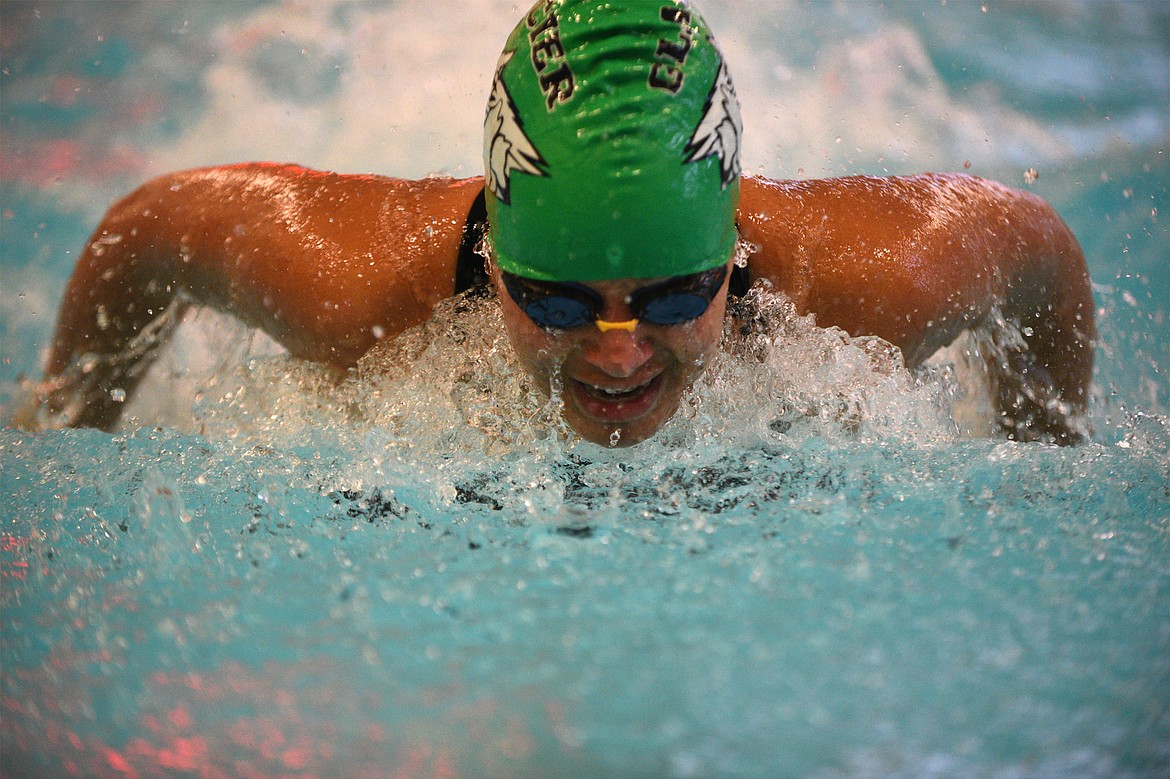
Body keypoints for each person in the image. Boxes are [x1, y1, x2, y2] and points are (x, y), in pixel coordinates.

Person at [18, 0, 1095, 446]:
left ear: (729, 258)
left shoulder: (874, 282)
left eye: (674, 294)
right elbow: (151, 231)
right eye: (556, 297)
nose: (618, 346)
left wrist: (1041, 452)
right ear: (492, 252)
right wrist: (66, 429)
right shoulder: (358, 288)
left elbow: (1040, 249)